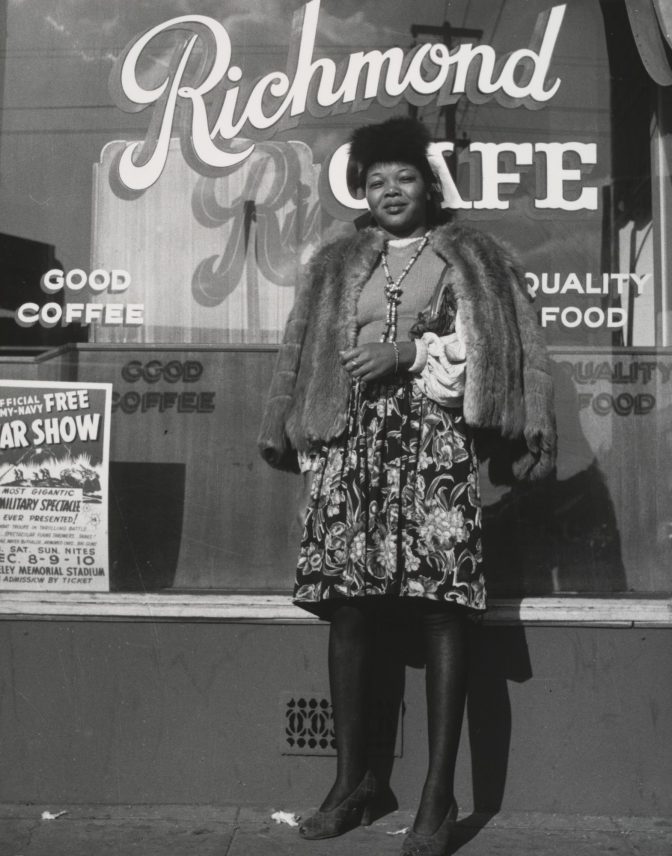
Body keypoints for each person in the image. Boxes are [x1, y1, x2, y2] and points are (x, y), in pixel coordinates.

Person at [258, 116, 556, 856]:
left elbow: (494, 347)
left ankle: (436, 798)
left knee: (442, 613)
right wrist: (287, 426)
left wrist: (405, 350)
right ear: (362, 191)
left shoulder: (472, 257)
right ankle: (353, 784)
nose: (391, 190)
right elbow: (302, 348)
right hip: (351, 451)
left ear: (429, 184)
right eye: (376, 180)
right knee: (350, 613)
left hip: (432, 450)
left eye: (406, 176)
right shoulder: (334, 258)